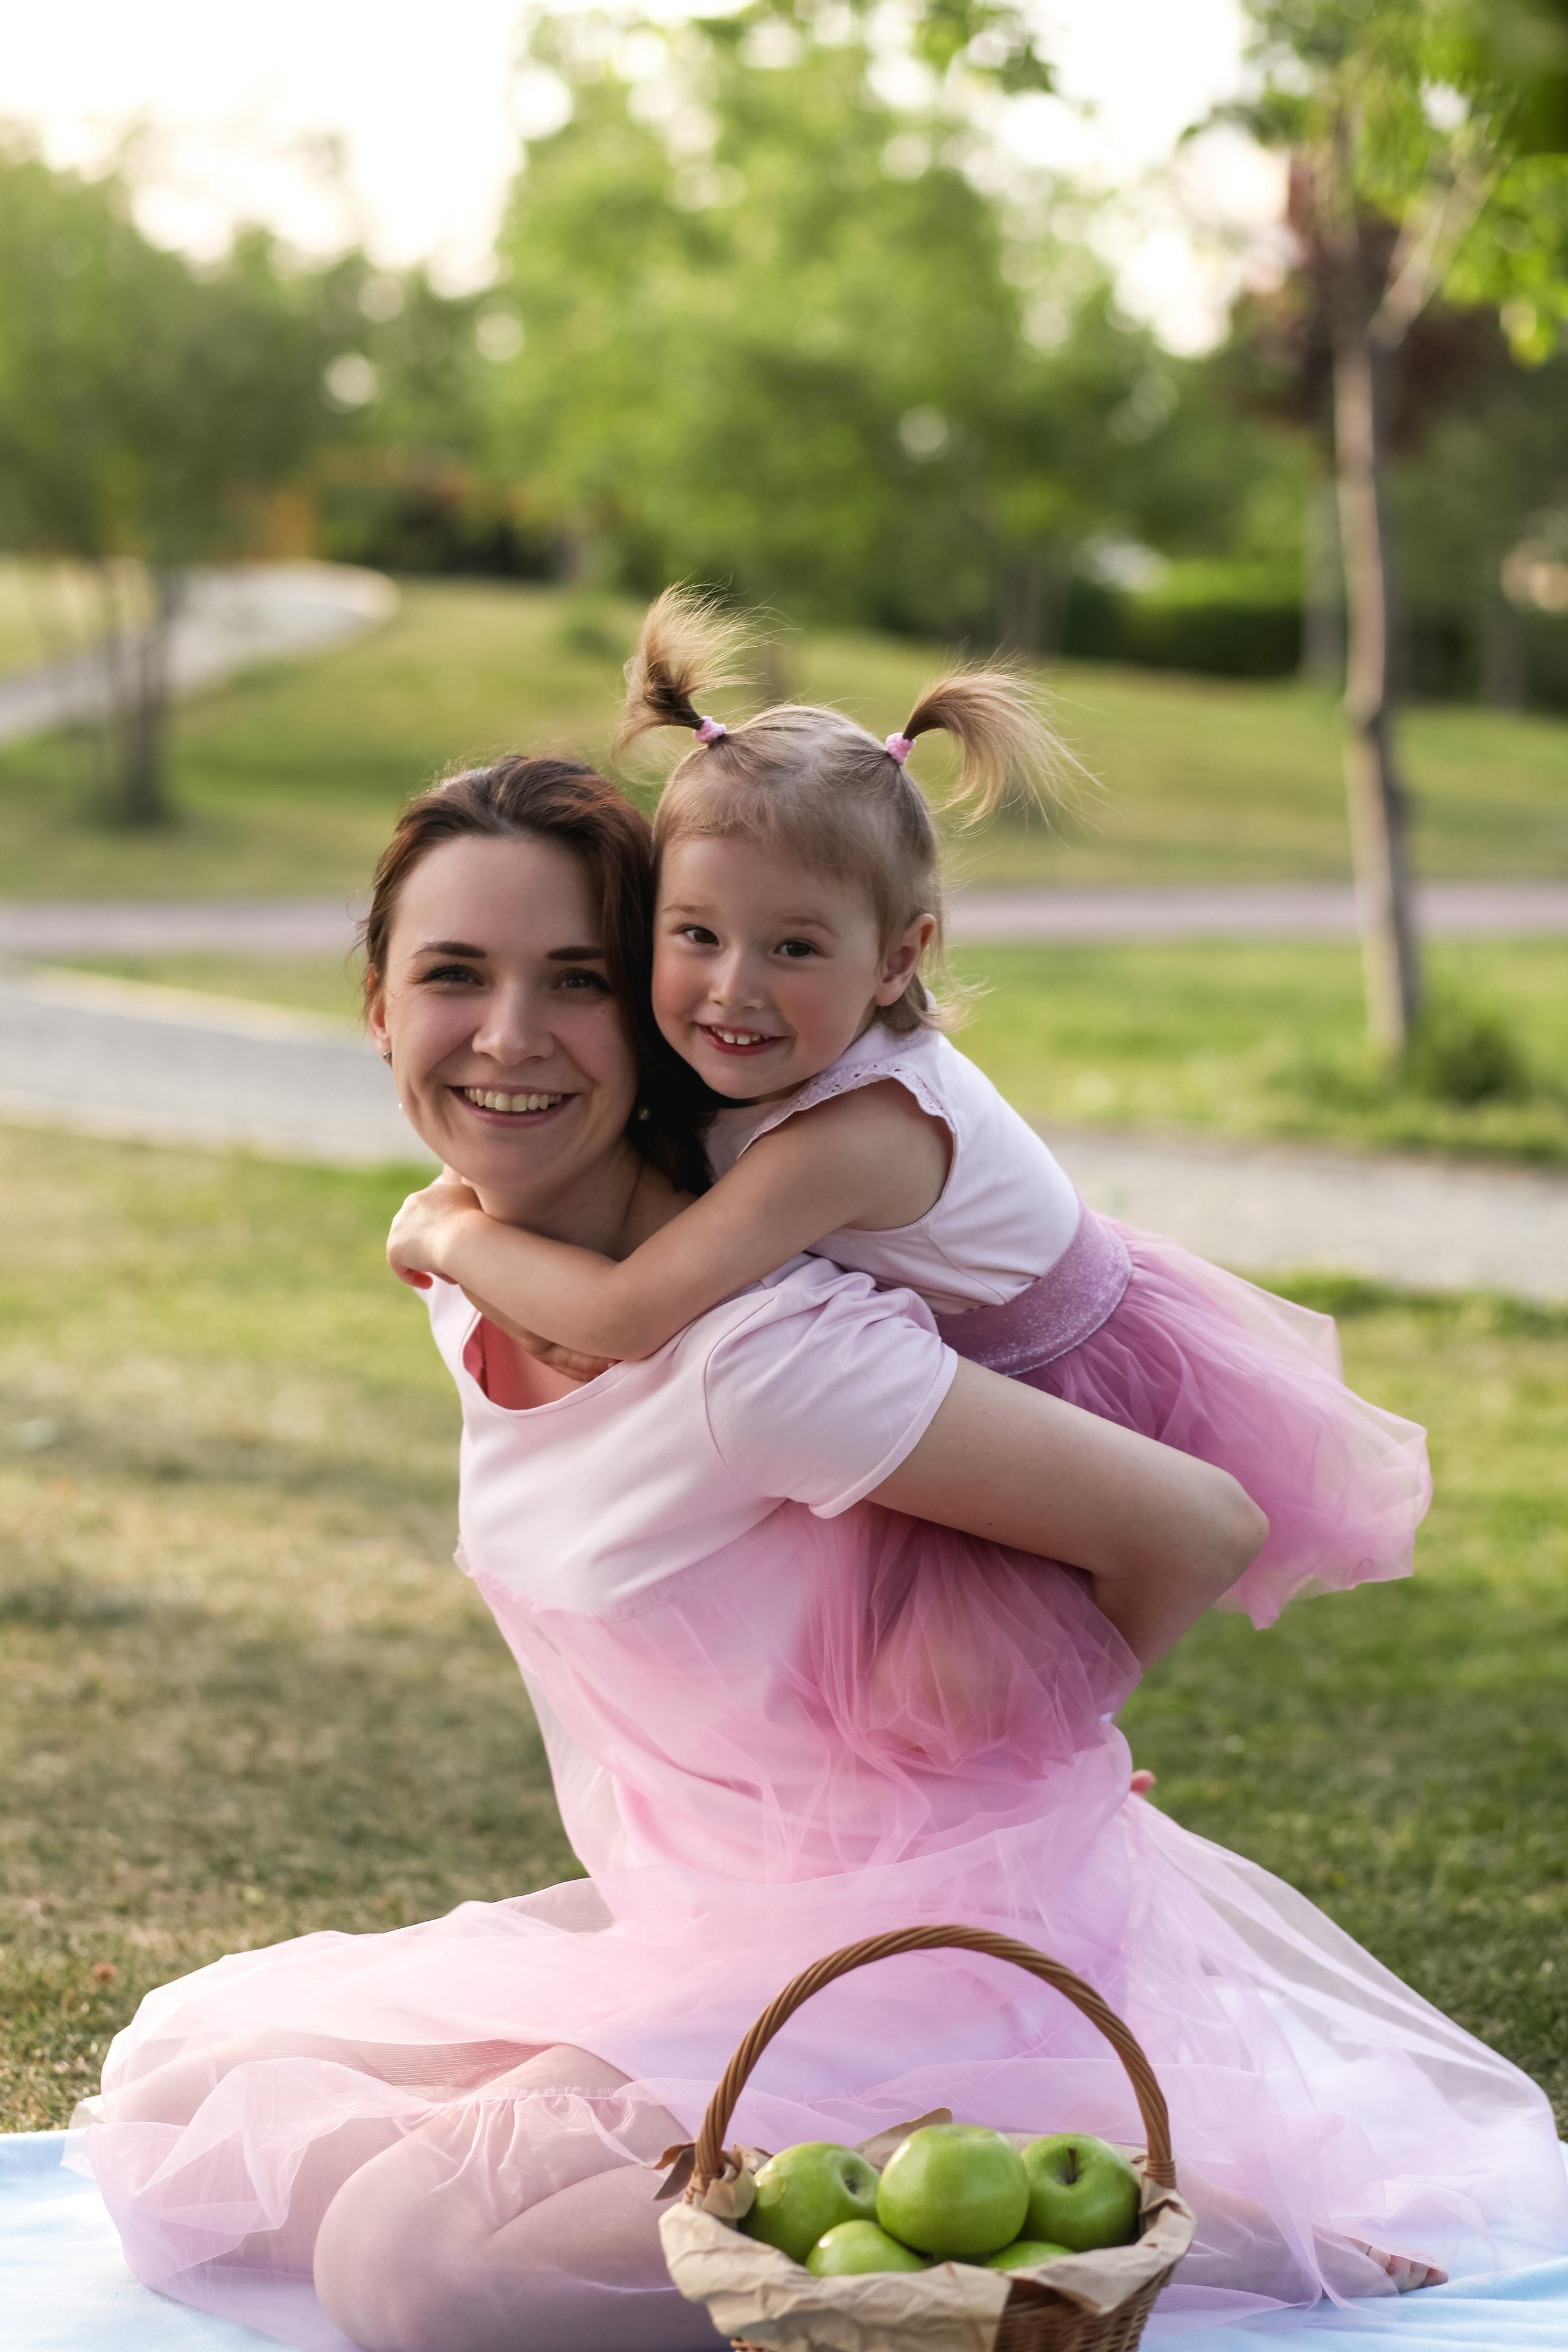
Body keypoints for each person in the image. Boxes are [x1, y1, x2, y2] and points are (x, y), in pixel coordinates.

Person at [77, 757, 1566, 2352]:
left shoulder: (767, 1356)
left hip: (898, 1945)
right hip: (700, 1912)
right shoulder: (476, 1259)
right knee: (185, 2099)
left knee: (408, 2272)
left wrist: (1030, 1752)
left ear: (642, 1013)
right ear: (379, 1005)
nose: (507, 1037)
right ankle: (681, 2126)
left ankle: (1160, 2217)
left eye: (574, 980)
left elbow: (1202, 1522)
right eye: (454, 974)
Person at [387, 588, 1430, 1635]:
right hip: (933, 1367)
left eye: (794, 947)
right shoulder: (751, 1052)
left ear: (897, 960)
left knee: (974, 1682)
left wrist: (448, 1227)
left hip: (1062, 1382)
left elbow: (627, 1314)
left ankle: (1075, 1757)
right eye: (696, 935)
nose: (732, 989)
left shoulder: (861, 1130)